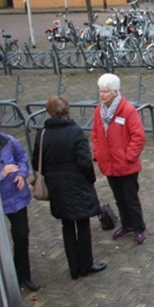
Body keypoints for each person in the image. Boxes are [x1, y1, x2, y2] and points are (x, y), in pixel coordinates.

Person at [33, 96, 107, 280]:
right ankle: (86, 264)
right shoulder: (75, 132)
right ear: (67, 110)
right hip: (77, 182)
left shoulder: (42, 134)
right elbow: (84, 161)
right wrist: (90, 180)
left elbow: (36, 161)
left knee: (67, 224)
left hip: (56, 185)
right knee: (82, 223)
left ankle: (73, 267)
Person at [0, 111, 40, 292]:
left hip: (17, 199)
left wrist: (22, 174)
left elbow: (23, 159)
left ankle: (24, 276)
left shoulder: (9, 141)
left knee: (22, 235)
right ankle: (2, 279)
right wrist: (1, 174)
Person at [91, 73, 148, 244]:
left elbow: (138, 136)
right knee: (119, 198)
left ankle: (138, 227)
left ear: (115, 92)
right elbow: (95, 134)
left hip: (126, 165)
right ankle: (126, 225)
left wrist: (128, 157)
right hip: (109, 164)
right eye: (100, 91)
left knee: (131, 199)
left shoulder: (128, 110)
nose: (102, 95)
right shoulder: (98, 111)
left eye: (106, 91)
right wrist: (98, 153)